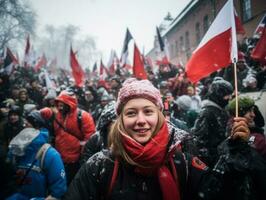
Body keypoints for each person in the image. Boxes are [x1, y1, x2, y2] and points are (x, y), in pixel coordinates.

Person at [64, 78, 266, 200]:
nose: (141, 120)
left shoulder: (183, 162)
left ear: (159, 116)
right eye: (131, 113)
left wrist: (236, 155)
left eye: (148, 112)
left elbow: (217, 194)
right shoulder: (99, 165)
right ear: (121, 120)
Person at [6, 111, 67, 200]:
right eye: (24, 125)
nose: (24, 128)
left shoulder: (49, 154)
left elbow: (58, 190)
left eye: (28, 125)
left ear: (38, 128)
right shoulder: (16, 150)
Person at [40, 89, 96, 185]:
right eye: (58, 104)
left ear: (69, 104)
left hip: (76, 160)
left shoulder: (83, 116)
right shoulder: (57, 115)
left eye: (62, 105)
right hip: (59, 157)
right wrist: (43, 111)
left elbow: (90, 139)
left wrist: (82, 154)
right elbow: (47, 112)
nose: (60, 107)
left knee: (73, 184)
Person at [192, 78, 233, 167]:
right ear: (218, 94)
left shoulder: (222, 109)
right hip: (215, 160)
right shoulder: (207, 113)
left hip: (224, 156)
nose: (229, 98)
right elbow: (199, 141)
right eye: (227, 95)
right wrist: (211, 162)